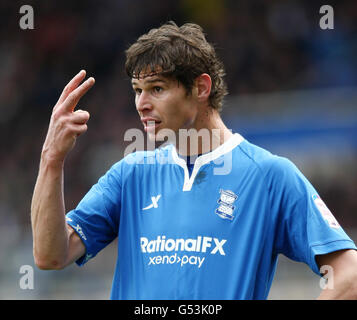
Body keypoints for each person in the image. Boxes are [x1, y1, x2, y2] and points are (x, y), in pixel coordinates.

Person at [31, 21, 357, 300]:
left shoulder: (270, 176)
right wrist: (51, 158)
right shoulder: (129, 175)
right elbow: (50, 254)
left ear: (200, 88)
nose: (141, 104)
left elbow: (349, 274)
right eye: (137, 90)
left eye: (156, 88)